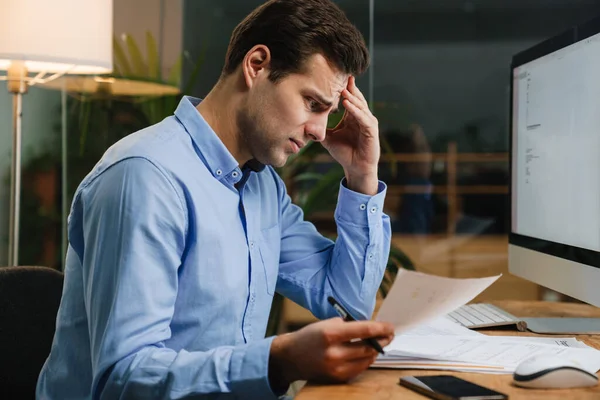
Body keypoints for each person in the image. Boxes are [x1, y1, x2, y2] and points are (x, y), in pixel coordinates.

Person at [36, 0, 395, 398]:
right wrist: (278, 361)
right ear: (256, 64)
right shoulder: (144, 177)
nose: (320, 131)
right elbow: (124, 378)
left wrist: (362, 177)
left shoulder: (262, 187)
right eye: (313, 104)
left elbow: (346, 303)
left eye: (328, 112)